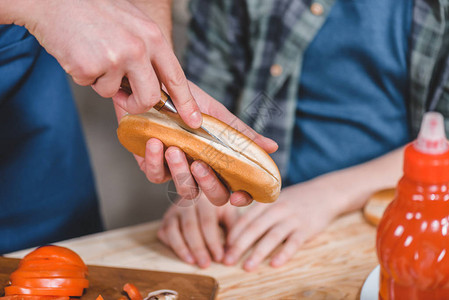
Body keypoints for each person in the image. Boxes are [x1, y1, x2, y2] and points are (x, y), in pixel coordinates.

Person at [154, 0, 449, 270]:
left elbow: (443, 140)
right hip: (249, 212)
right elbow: (206, 92)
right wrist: (201, 181)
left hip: (391, 210)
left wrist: (329, 195)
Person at [0, 0, 276, 254]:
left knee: (65, 260)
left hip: (28, 83)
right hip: (37, 22)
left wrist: (148, 70)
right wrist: (44, 6)